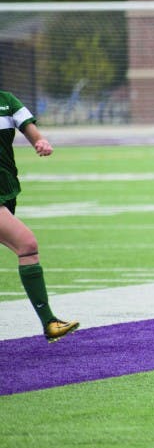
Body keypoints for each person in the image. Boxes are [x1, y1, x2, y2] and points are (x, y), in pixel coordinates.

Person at [0, 90, 79, 342]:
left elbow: (29, 128)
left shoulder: (7, 101)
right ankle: (49, 322)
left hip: (7, 190)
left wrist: (40, 142)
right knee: (27, 245)